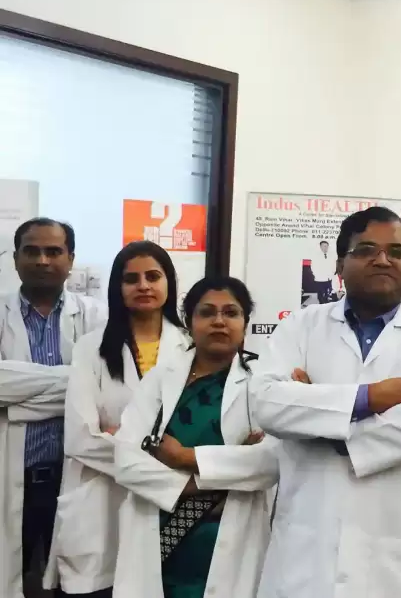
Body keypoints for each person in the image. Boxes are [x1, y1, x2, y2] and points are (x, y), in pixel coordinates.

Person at [250, 206, 401, 598]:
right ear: (339, 263)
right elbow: (267, 403)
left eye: (398, 252)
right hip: (306, 551)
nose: (383, 260)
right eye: (366, 249)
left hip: (393, 558)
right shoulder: (300, 327)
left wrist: (318, 417)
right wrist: (370, 397)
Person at [113, 276, 279, 598]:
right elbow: (126, 461)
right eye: (207, 312)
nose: (219, 321)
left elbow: (269, 463)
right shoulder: (161, 378)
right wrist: (205, 484)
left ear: (245, 323)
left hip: (228, 539)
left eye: (231, 312)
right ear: (189, 322)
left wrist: (182, 458)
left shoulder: (262, 382)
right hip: (157, 536)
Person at [43, 241, 190, 597]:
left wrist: (119, 437)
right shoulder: (91, 348)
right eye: (131, 279)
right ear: (117, 288)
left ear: (168, 283)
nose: (143, 286)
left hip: (171, 507)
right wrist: (160, 454)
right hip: (102, 502)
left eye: (153, 276)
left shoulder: (190, 346)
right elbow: (80, 438)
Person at [0, 218, 107, 598]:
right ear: (16, 258)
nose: (42, 260)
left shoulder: (97, 316)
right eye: (31, 251)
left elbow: (103, 390)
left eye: (53, 251)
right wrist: (74, 383)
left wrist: (16, 401)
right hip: (13, 474)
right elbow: (84, 387)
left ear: (70, 259)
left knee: (74, 584)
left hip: (74, 476)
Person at [310, 240, 335, 304]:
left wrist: (332, 274)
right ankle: (321, 305)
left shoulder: (331, 256)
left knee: (328, 294)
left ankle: (326, 305)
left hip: (329, 279)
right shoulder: (316, 256)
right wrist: (316, 275)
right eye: (324, 246)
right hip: (319, 279)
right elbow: (313, 267)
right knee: (321, 295)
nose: (325, 248)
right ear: (320, 247)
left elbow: (333, 266)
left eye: (327, 246)